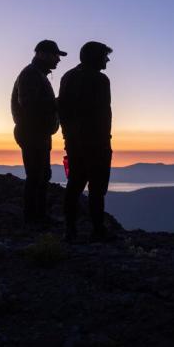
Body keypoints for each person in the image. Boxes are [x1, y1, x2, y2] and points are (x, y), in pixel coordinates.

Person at [58, 41, 114, 242]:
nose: (107, 60)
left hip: (73, 142)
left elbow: (62, 110)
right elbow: (102, 114)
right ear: (96, 57)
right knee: (97, 189)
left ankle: (70, 230)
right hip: (97, 142)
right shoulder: (100, 80)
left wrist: (68, 136)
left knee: (74, 184)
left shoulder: (67, 77)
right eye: (104, 56)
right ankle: (98, 230)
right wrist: (105, 142)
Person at [11, 39, 65, 226]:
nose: (58, 59)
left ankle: (37, 216)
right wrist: (57, 104)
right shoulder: (31, 75)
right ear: (42, 54)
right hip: (32, 133)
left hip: (37, 133)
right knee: (36, 175)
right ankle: (33, 219)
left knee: (41, 174)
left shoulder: (36, 74)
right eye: (55, 55)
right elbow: (30, 105)